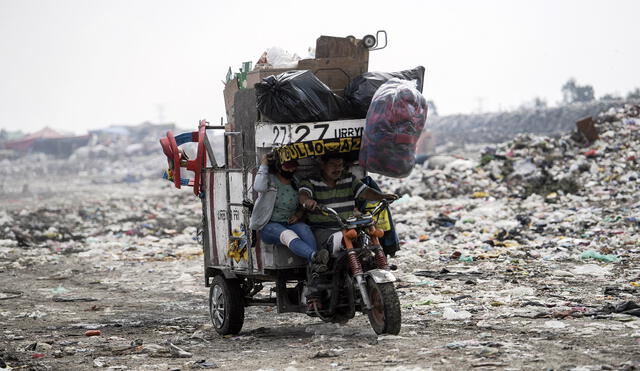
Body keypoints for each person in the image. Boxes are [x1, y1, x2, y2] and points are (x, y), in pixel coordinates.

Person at [298, 152, 398, 254]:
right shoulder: (310, 181)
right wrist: (307, 201)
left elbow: (366, 191)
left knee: (366, 239)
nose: (337, 169)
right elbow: (303, 194)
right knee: (339, 239)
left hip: (349, 227)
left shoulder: (349, 178)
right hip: (324, 230)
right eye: (333, 165)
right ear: (323, 165)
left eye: (340, 165)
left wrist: (382, 196)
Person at [249, 153, 329, 272]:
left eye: (294, 166)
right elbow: (259, 187)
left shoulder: (295, 181)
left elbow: (301, 205)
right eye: (288, 166)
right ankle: (314, 257)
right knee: (287, 235)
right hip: (269, 226)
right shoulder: (269, 180)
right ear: (279, 165)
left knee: (305, 230)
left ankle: (314, 269)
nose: (292, 169)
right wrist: (264, 163)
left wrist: (298, 215)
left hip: (289, 223)